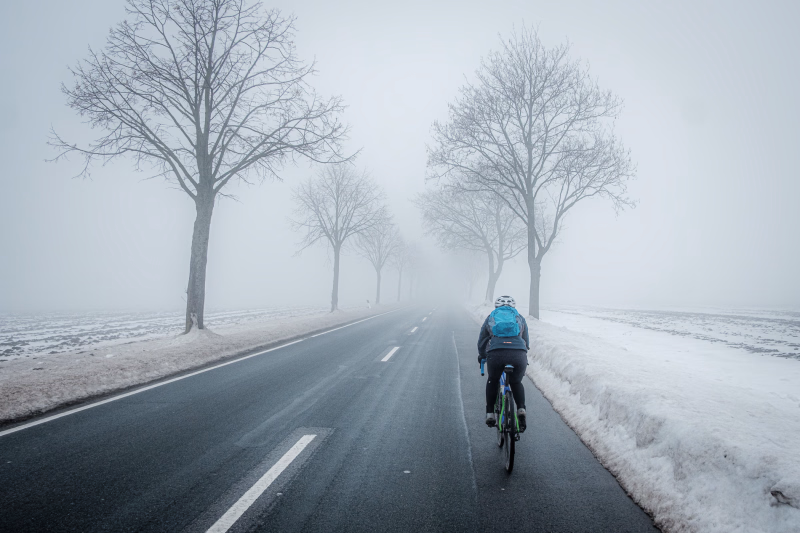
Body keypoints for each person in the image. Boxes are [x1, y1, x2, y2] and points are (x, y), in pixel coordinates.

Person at [478, 295, 529, 432]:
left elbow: (482, 339)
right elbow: (526, 340)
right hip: (519, 354)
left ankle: (490, 413)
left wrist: (482, 355)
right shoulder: (520, 318)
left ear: (496, 306)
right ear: (513, 307)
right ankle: (521, 409)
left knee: (493, 380)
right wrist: (523, 354)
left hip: (496, 354)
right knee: (516, 382)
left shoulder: (491, 317)